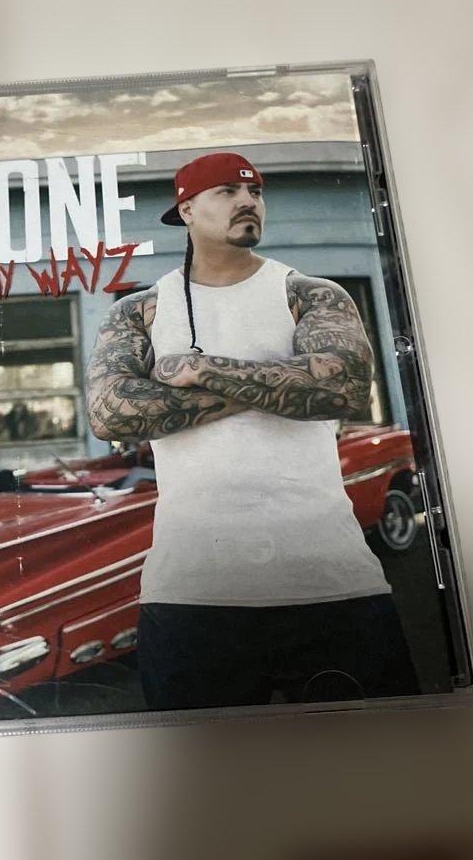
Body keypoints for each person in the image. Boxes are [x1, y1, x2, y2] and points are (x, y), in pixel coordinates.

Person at [86, 151, 418, 710]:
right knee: (208, 764)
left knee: (377, 753)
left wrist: (200, 370)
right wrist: (283, 383)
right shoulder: (140, 311)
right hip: (192, 593)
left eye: (256, 192)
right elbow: (111, 414)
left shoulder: (310, 294)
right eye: (227, 191)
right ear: (186, 210)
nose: (248, 202)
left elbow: (344, 390)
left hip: (331, 583)